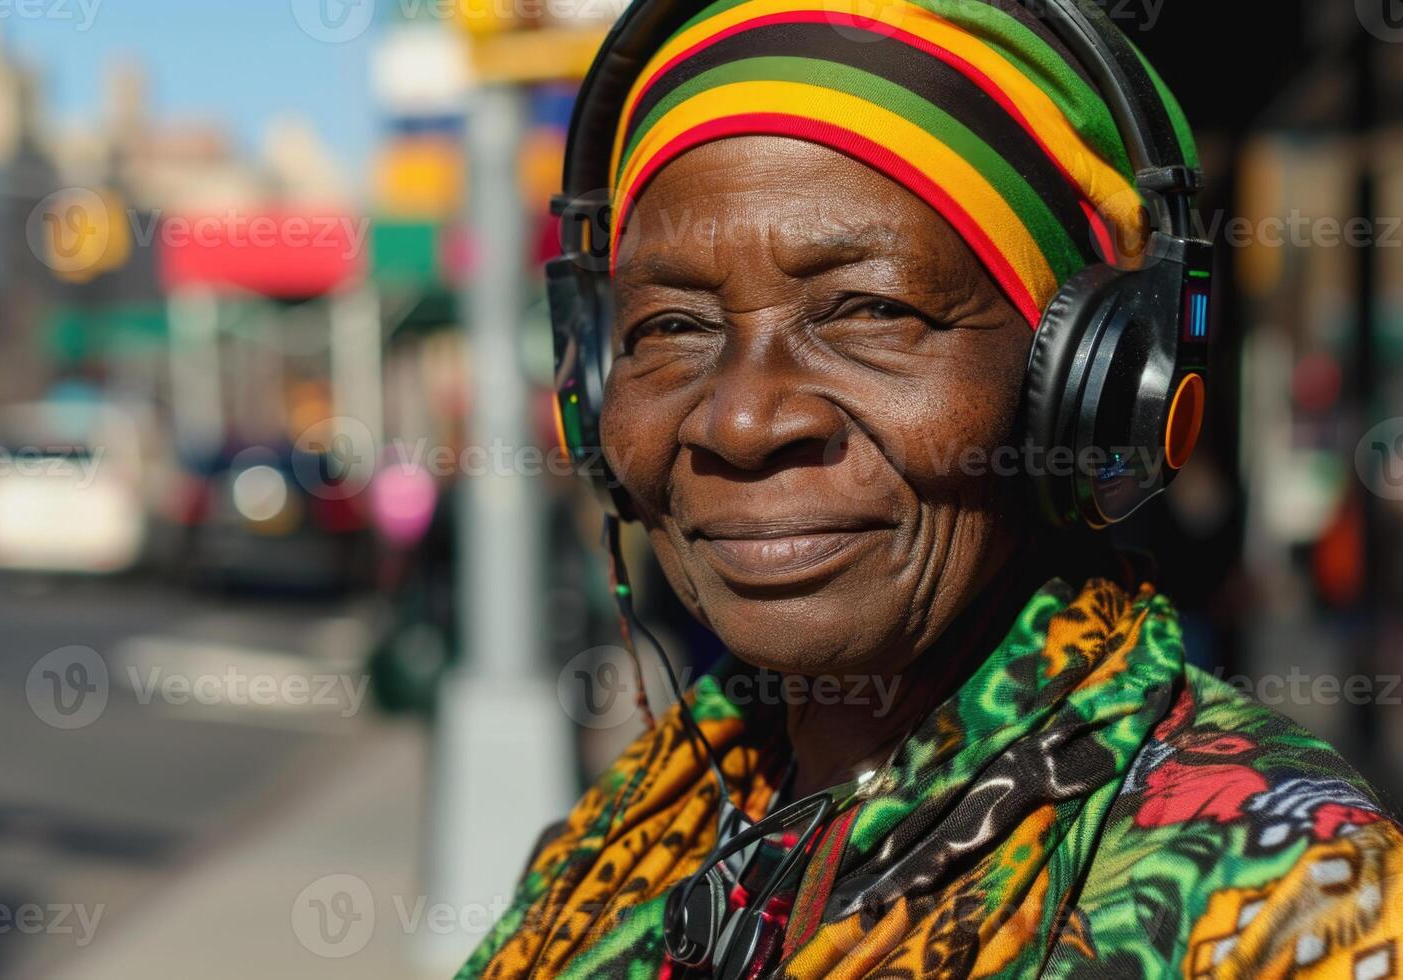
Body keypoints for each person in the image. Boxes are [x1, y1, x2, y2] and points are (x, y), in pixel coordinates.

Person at [460, 0, 1403, 976]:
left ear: (1083, 386)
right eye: (671, 327)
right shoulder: (623, 836)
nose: (739, 421)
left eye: (872, 310)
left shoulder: (1287, 898)